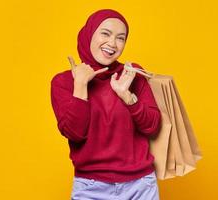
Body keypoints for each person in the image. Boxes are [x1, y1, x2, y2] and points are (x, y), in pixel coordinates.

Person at [50, 8, 162, 200]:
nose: (112, 43)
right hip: (90, 187)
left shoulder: (131, 74)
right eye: (105, 33)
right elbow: (75, 133)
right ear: (89, 34)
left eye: (121, 38)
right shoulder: (64, 82)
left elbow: (152, 126)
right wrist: (81, 86)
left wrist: (128, 97)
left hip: (140, 185)